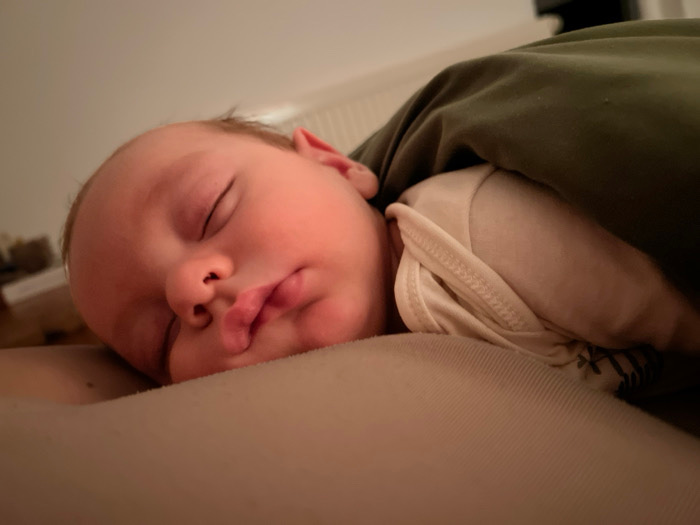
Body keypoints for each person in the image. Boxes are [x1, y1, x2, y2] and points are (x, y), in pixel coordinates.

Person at [63, 116, 700, 391]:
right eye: (162, 334)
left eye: (211, 210)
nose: (189, 289)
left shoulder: (482, 234)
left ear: (337, 166)